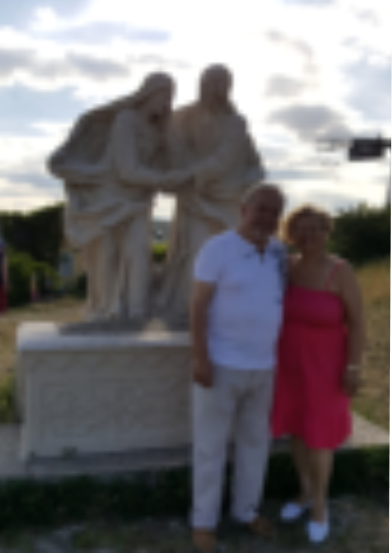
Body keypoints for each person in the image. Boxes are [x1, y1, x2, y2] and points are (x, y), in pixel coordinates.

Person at [49, 73, 192, 323]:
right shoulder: (126, 120)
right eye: (165, 96)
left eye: (171, 97)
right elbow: (127, 170)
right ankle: (107, 311)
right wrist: (163, 180)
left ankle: (137, 311)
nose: (167, 103)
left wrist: (170, 140)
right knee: (108, 255)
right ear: (150, 93)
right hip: (107, 197)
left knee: (139, 253)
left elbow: (169, 163)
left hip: (136, 202)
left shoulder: (156, 130)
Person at [190, 184, 287, 553]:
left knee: (255, 444)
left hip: (264, 367)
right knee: (210, 447)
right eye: (261, 208)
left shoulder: (278, 252)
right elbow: (198, 306)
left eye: (275, 211)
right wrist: (200, 358)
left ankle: (246, 511)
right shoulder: (217, 248)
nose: (267, 217)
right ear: (243, 209)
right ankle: (204, 521)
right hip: (221, 364)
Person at [272, 205, 365, 544]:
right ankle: (304, 492)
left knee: (319, 437)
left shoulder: (341, 270)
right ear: (289, 233)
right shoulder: (286, 266)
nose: (307, 235)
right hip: (290, 366)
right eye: (300, 229)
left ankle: (320, 506)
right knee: (297, 431)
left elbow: (357, 323)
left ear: (326, 232)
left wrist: (353, 366)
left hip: (327, 368)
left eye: (315, 228)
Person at [158, 65, 265, 324]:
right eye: (207, 82)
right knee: (196, 255)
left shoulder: (236, 123)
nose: (211, 88)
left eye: (219, 83)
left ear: (227, 88)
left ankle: (226, 313)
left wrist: (188, 175)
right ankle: (189, 312)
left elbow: (228, 161)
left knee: (232, 258)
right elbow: (170, 149)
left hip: (227, 200)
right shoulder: (183, 117)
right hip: (194, 200)